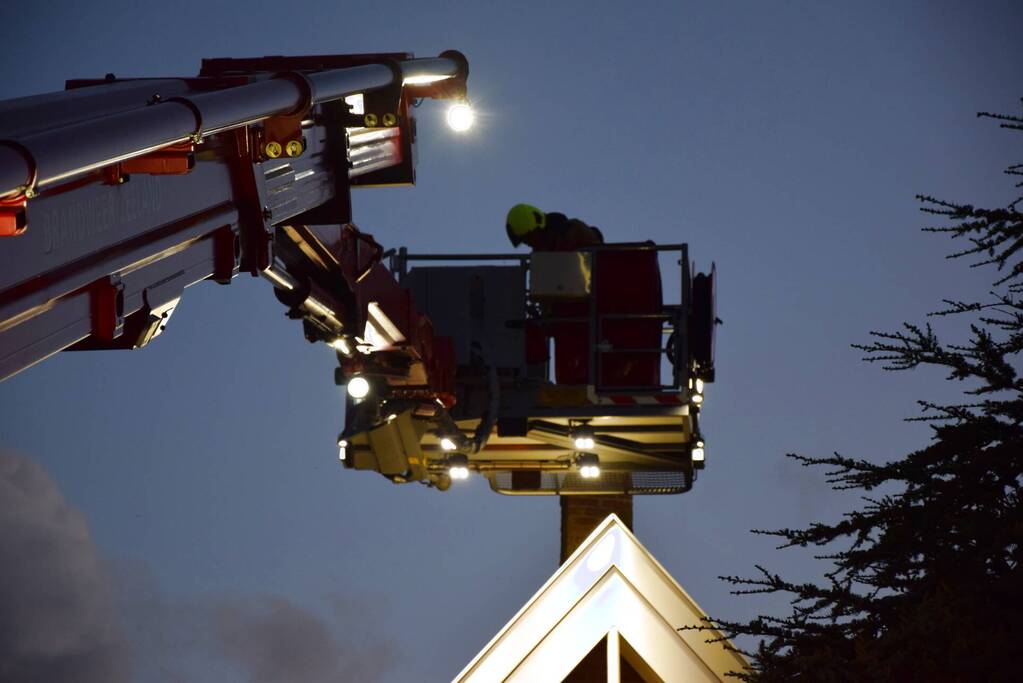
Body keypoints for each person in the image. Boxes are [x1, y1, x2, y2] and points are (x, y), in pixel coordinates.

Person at [505, 203, 603, 251]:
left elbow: (601, 258)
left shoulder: (574, 230)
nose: (528, 244)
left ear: (536, 229)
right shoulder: (541, 254)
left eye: (527, 239)